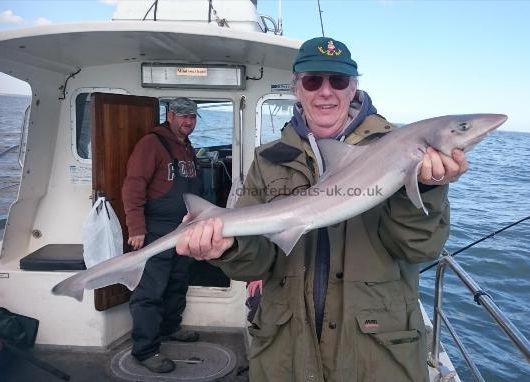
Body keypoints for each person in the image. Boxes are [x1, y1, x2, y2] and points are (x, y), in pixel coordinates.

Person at [175, 37, 468, 381]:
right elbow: (259, 261)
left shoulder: (394, 147)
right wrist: (227, 247)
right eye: (314, 81)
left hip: (375, 355)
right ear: (297, 88)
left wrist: (428, 188)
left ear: (353, 88)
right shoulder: (268, 159)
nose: (326, 91)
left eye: (338, 81)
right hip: (288, 352)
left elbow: (420, 248)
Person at [122, 97, 202, 373]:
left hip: (184, 228)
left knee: (177, 281)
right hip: (155, 228)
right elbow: (134, 185)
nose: (187, 121)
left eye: (192, 117)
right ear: (169, 115)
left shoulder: (187, 147)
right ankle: (145, 350)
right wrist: (136, 228)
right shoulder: (151, 144)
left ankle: (170, 328)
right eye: (182, 116)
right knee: (150, 291)